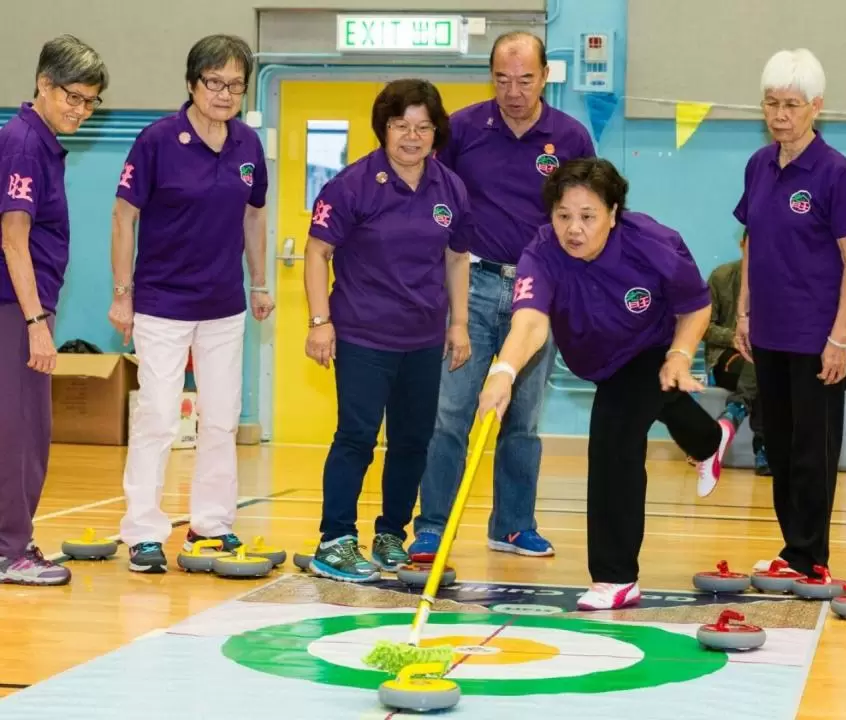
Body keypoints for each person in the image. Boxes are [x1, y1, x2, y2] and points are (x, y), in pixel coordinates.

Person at [477, 158, 727, 610]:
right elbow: (531, 323)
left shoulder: (654, 244)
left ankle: (617, 577)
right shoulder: (541, 252)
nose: (574, 229)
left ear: (614, 213)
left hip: (651, 343)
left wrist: (679, 354)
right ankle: (711, 438)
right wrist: (503, 372)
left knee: (615, 440)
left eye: (588, 216)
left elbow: (696, 305)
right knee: (660, 399)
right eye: (563, 215)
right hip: (597, 356)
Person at [410, 32, 596, 561]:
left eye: (526, 79)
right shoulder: (463, 129)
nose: (513, 91)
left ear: (545, 77)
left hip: (539, 293)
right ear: (490, 76)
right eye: (502, 79)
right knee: (450, 412)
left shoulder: (571, 137)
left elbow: (590, 216)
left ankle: (513, 524)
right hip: (470, 285)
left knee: (523, 417)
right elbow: (431, 196)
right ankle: (432, 525)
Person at [110, 35, 273, 573]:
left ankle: (212, 525)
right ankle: (143, 533)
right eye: (214, 82)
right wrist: (123, 293)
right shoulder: (156, 140)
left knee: (221, 418)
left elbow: (254, 216)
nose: (224, 94)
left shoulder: (248, 144)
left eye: (235, 85)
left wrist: (259, 282)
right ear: (191, 83)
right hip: (160, 303)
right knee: (158, 415)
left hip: (224, 307)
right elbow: (123, 217)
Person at [303, 79, 472, 583]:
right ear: (384, 129)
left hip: (422, 338)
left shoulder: (450, 187)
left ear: (435, 133)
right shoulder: (351, 185)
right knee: (356, 436)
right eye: (401, 126)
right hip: (361, 335)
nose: (412, 137)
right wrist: (319, 322)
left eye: (423, 127)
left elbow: (457, 256)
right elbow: (317, 252)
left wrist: (459, 324)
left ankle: (390, 535)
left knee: (412, 441)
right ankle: (334, 540)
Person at [732, 49, 846, 579]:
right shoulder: (758, 165)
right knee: (781, 448)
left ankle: (812, 556)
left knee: (814, 450)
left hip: (815, 335)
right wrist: (744, 311)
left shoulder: (835, 173)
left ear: (817, 107)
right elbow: (750, 243)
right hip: (767, 331)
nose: (780, 115)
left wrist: (839, 338)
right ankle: (792, 549)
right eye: (771, 104)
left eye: (791, 104)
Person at [0, 35, 108, 585]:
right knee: (19, 431)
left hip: (23, 308)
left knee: (30, 429)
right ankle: (8, 551)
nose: (81, 110)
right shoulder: (22, 143)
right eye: (73, 97)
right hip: (14, 309)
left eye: (90, 102)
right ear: (43, 84)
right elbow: (13, 239)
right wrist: (36, 323)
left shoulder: (40, 142)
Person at [704, 231, 769, 481]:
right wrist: (734, 337)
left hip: (762, 360)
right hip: (726, 357)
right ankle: (763, 450)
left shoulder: (777, 281)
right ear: (742, 245)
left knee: (765, 369)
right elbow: (702, 326)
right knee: (762, 369)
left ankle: (736, 410)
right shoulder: (721, 277)